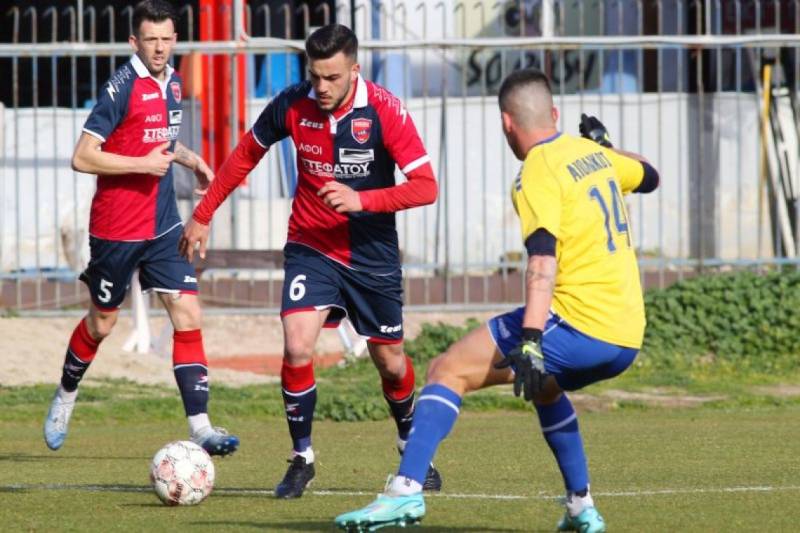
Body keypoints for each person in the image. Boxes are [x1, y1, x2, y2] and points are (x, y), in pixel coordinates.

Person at [334, 68, 660, 532]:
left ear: (507, 122)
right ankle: (580, 506)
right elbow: (649, 176)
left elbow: (542, 260)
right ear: (554, 114)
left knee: (447, 369)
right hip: (626, 334)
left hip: (578, 323)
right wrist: (607, 148)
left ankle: (405, 491)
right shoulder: (594, 155)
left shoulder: (538, 170)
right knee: (546, 388)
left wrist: (530, 338)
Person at [179, 24, 440, 498]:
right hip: (311, 245)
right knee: (298, 346)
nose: (321, 87)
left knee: (391, 362)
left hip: (371, 254)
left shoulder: (384, 110)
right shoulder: (293, 103)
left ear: (354, 70)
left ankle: (409, 441)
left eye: (332, 77)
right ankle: (302, 458)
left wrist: (363, 201)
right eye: (315, 76)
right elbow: (246, 154)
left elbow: (427, 187)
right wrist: (203, 213)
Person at [43, 0, 239, 457]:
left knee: (188, 314)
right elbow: (82, 157)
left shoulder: (173, 81)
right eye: (151, 40)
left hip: (163, 226)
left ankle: (201, 427)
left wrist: (191, 160)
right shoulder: (120, 87)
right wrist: (141, 165)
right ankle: (66, 393)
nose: (160, 47)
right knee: (102, 323)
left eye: (167, 39)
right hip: (116, 228)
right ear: (135, 42)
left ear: (175, 40)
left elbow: (161, 140)